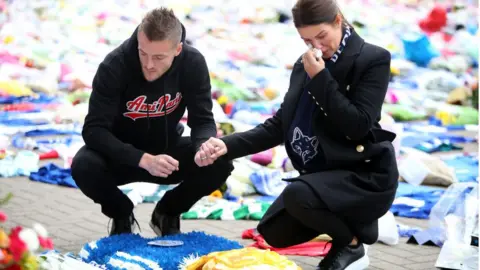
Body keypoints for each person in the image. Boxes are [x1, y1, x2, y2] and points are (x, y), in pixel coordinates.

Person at [197, 0, 399, 269]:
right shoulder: (305, 65)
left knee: (298, 196)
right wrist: (226, 145)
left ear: (338, 21)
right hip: (324, 174)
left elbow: (358, 125)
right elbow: (281, 125)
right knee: (273, 231)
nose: (317, 46)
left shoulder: (372, 59)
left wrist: (320, 79)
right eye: (307, 40)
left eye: (322, 36)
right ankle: (356, 222)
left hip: (364, 173)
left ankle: (351, 244)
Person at [71, 8, 233, 237]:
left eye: (158, 57)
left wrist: (203, 146)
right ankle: (121, 214)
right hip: (120, 155)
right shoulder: (115, 65)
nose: (148, 64)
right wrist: (141, 159)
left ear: (177, 49)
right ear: (138, 41)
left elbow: (203, 121)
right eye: (143, 53)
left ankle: (167, 212)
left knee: (220, 160)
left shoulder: (192, 63)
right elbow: (94, 130)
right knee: (83, 165)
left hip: (167, 153)